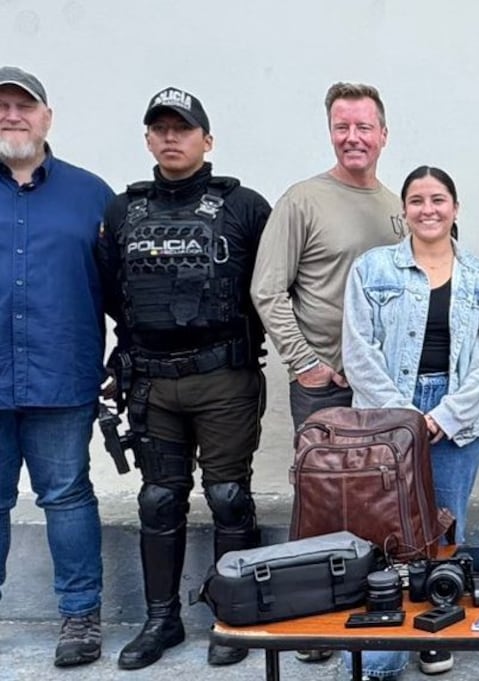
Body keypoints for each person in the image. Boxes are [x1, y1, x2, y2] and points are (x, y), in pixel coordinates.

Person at [96, 87, 271, 670]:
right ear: (148, 138)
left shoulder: (245, 206)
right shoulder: (123, 211)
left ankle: (233, 618)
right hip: (152, 381)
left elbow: (268, 290)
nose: (172, 137)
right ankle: (161, 619)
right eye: (161, 128)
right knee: (159, 499)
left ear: (207, 140)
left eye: (184, 128)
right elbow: (109, 291)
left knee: (228, 498)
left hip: (222, 375)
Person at [250, 81, 402, 670]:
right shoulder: (303, 200)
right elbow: (268, 288)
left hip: (379, 388)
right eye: (342, 126)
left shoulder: (396, 205)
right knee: (318, 503)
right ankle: (311, 621)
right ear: (330, 132)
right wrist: (303, 360)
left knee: (376, 500)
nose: (353, 137)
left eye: (364, 126)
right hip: (323, 385)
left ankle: (372, 608)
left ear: (383, 134)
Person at [342, 165, 479, 677]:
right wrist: (407, 416)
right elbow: (358, 349)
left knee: (445, 530)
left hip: (456, 420)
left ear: (455, 209)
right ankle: (384, 654)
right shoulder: (373, 270)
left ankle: (437, 629)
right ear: (405, 211)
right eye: (417, 200)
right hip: (389, 414)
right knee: (384, 534)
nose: (428, 209)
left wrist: (445, 414)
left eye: (438, 200)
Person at [0, 65, 113, 669]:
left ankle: (80, 617)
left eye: (24, 106)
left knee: (67, 498)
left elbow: (119, 286)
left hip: (61, 375)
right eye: (2, 107)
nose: (12, 116)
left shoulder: (91, 194)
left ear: (46, 117)